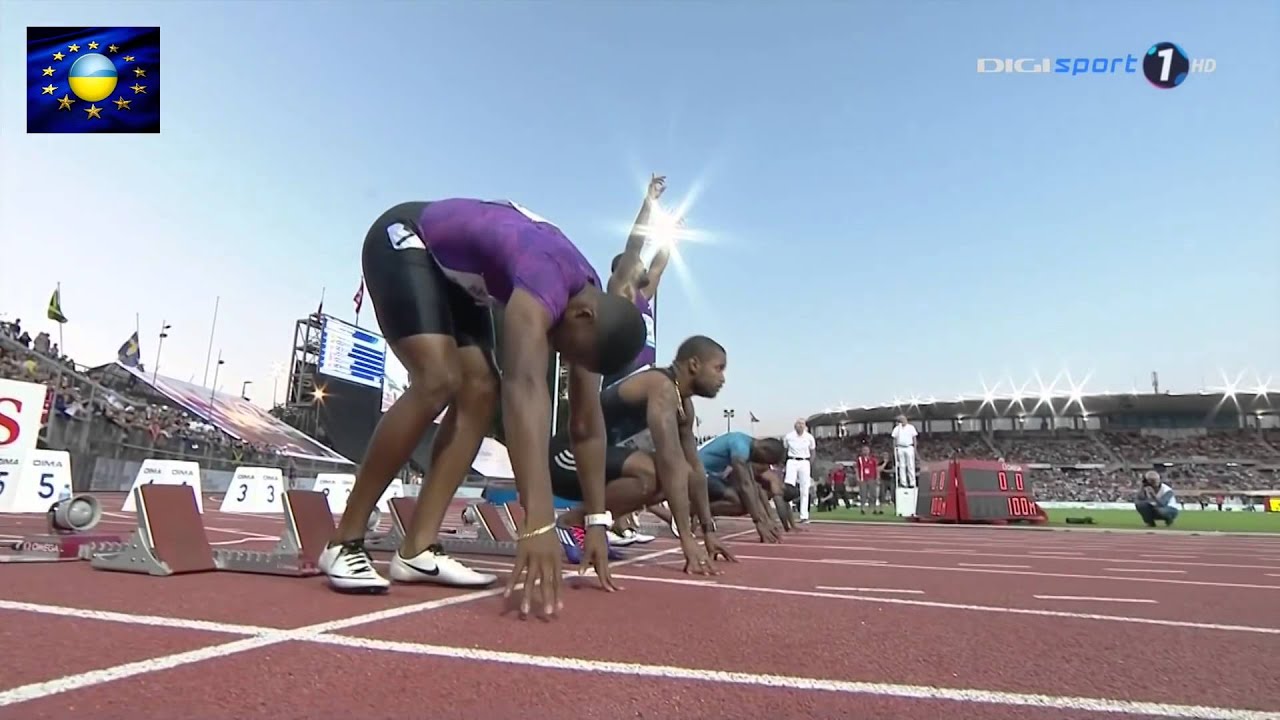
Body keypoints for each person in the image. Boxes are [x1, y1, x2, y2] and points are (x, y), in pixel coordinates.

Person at [320, 198, 646, 619]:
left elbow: (586, 423)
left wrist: (598, 520)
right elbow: (524, 386)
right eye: (566, 348)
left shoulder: (588, 309)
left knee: (480, 391)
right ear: (583, 314)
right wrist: (540, 520)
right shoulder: (542, 280)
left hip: (457, 278)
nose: (560, 352)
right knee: (438, 379)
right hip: (404, 238)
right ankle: (344, 541)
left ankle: (417, 549)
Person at [548, 335, 735, 574]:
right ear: (694, 364)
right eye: (719, 369)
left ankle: (590, 527)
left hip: (600, 467)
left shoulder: (684, 406)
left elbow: (695, 470)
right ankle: (572, 522)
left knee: (677, 474)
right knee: (656, 471)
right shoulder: (660, 385)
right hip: (566, 458)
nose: (722, 379)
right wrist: (686, 539)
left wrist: (708, 531)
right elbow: (670, 461)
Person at [692, 431, 786, 541]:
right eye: (765, 461)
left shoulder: (746, 445)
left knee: (743, 503)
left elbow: (752, 486)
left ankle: (696, 512)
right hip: (696, 473)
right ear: (763, 451)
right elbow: (745, 486)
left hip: (710, 475)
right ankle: (690, 511)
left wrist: (767, 520)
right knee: (738, 500)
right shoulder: (740, 447)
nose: (763, 465)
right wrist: (759, 522)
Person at [782, 419, 816, 523]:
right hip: (792, 461)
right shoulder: (788, 436)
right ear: (795, 426)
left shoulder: (809, 437)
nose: (800, 426)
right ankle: (787, 514)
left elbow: (813, 451)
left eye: (802, 424)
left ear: (805, 426)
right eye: (798, 424)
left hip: (804, 461)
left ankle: (804, 516)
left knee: (804, 489)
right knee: (788, 488)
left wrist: (809, 463)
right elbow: (785, 450)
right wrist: (784, 463)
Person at [891, 415, 918, 489]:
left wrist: (914, 448)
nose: (901, 421)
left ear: (906, 419)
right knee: (902, 465)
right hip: (900, 447)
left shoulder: (911, 427)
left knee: (910, 465)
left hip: (909, 447)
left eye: (902, 419)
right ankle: (903, 482)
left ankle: (912, 482)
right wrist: (894, 449)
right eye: (900, 420)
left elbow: (914, 438)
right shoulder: (897, 428)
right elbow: (894, 439)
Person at [855, 444, 883, 515]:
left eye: (867, 450)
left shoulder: (873, 459)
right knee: (863, 494)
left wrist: (877, 478)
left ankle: (873, 508)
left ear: (869, 451)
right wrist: (858, 477)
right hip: (863, 478)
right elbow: (857, 469)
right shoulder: (860, 459)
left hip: (871, 478)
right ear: (862, 451)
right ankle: (863, 508)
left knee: (873, 494)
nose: (865, 451)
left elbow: (876, 469)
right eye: (864, 450)